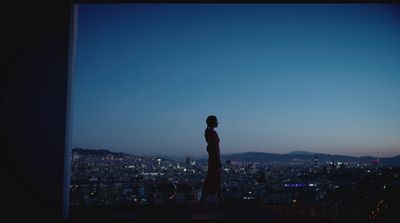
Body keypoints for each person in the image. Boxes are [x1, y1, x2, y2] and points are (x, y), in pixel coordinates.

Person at [199, 115, 224, 205]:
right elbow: (215, 148)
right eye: (216, 121)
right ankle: (202, 200)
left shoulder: (208, 132)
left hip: (212, 159)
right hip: (214, 159)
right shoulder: (213, 133)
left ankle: (220, 200)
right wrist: (218, 160)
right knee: (212, 179)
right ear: (213, 122)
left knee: (216, 179)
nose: (218, 123)